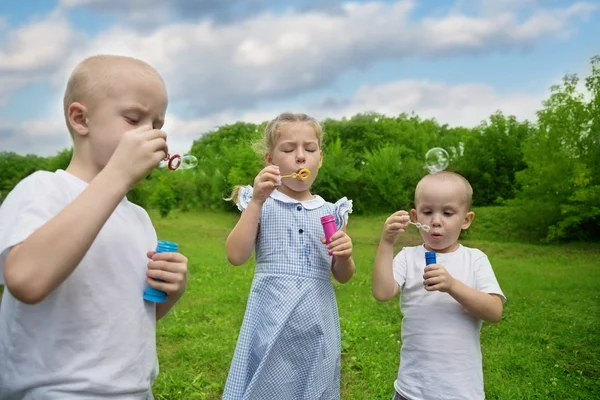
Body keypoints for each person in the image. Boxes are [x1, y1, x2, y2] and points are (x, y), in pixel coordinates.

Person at [0, 55, 188, 399]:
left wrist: (169, 290)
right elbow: (26, 280)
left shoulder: (138, 218)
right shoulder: (43, 190)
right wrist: (116, 176)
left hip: (133, 390)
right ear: (80, 118)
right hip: (54, 391)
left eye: (158, 123)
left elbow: (134, 316)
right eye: (134, 119)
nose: (151, 133)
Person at [222, 112, 355, 400]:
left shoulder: (332, 212)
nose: (300, 157)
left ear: (320, 158)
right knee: (267, 382)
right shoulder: (261, 203)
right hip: (271, 314)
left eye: (309, 149)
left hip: (316, 320)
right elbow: (235, 255)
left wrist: (344, 256)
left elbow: (342, 275)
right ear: (270, 160)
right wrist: (257, 201)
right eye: (288, 149)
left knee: (313, 381)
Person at [372, 171, 506, 400]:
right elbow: (382, 292)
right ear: (415, 216)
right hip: (411, 389)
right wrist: (386, 242)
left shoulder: (475, 259)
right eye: (427, 212)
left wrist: (453, 285)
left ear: (466, 220)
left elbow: (494, 311)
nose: (435, 220)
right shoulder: (408, 257)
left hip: (460, 391)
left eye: (447, 212)